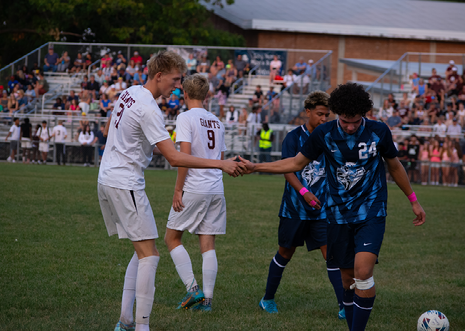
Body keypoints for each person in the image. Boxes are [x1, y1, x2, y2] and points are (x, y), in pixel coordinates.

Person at [239, 83, 426, 331]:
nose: (350, 126)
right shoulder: (324, 134)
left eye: (356, 121)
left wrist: (413, 200)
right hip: (336, 215)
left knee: (362, 272)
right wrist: (256, 166)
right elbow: (295, 163)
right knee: (347, 279)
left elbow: (394, 166)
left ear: (365, 115)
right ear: (337, 113)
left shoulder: (378, 132)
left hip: (371, 211)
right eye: (346, 120)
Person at [97, 51, 244, 331]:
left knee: (141, 251)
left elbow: (110, 129)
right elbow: (175, 158)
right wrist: (220, 164)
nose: (178, 86)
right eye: (175, 80)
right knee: (150, 255)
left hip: (109, 177)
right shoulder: (149, 107)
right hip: (125, 182)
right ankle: (140, 326)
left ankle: (126, 321)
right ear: (159, 75)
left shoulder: (129, 91)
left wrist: (139, 145)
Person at [259, 91, 345, 319]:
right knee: (285, 253)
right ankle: (267, 299)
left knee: (332, 256)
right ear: (307, 112)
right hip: (294, 209)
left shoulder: (330, 137)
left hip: (322, 210)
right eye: (319, 114)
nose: (324, 119)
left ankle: (344, 306)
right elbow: (288, 168)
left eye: (327, 115)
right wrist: (305, 192)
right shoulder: (293, 137)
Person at [164, 73, 228, 312]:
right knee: (208, 244)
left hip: (195, 186)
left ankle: (193, 290)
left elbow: (184, 158)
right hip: (216, 188)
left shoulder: (185, 117)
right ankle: (207, 302)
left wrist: (178, 189)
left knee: (171, 238)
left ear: (185, 94)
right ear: (207, 95)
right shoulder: (217, 121)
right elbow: (220, 159)